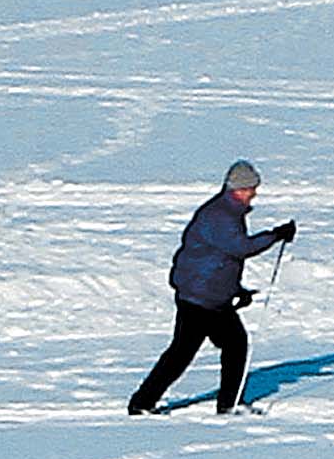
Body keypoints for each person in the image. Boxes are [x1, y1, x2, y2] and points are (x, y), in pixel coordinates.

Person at [126, 163, 295, 414]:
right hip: (201, 298)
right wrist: (275, 235)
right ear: (239, 189)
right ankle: (145, 403)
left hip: (208, 295)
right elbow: (240, 248)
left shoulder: (227, 212)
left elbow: (220, 260)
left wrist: (235, 290)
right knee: (193, 351)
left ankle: (224, 403)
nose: (254, 194)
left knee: (222, 346)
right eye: (251, 188)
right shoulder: (221, 215)